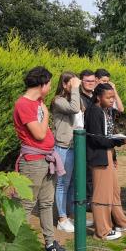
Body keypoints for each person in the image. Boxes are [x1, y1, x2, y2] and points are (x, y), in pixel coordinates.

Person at [13, 66, 69, 251]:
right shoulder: (24, 104)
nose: (50, 87)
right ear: (42, 84)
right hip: (33, 162)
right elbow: (38, 133)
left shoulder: (38, 102)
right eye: (50, 84)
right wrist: (45, 115)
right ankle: (16, 246)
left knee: (46, 203)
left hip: (47, 160)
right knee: (27, 204)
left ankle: (50, 242)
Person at [85, 83, 126, 240]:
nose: (111, 100)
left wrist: (114, 153)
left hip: (108, 153)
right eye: (108, 97)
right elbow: (97, 140)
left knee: (114, 190)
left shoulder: (106, 110)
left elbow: (107, 134)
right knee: (101, 193)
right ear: (98, 97)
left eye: (112, 97)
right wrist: (119, 142)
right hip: (99, 156)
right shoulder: (94, 111)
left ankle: (120, 221)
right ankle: (102, 230)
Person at [50, 72, 82, 233]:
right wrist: (76, 88)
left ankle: (70, 216)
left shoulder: (72, 98)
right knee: (62, 184)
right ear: (64, 84)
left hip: (75, 146)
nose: (75, 86)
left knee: (72, 185)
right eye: (71, 83)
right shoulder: (58, 101)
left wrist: (76, 90)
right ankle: (61, 219)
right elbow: (75, 109)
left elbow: (80, 109)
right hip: (62, 147)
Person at [78, 69, 97, 205]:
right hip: (82, 139)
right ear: (81, 82)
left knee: (93, 172)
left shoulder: (95, 97)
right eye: (87, 81)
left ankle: (91, 199)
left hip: (94, 139)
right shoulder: (78, 98)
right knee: (85, 173)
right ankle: (86, 201)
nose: (91, 83)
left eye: (93, 81)